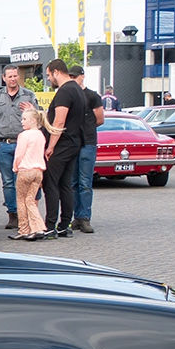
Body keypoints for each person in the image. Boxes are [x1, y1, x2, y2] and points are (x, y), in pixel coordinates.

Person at [0, 65, 39, 230]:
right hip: (3, 145)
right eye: (9, 76)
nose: (13, 79)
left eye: (15, 76)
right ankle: (13, 214)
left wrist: (33, 111)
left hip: (23, 145)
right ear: (3, 78)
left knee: (25, 180)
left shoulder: (29, 96)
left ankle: (27, 212)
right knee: (8, 182)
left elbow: (38, 121)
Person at [41, 59, 85, 237]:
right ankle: (65, 224)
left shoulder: (65, 91)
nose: (49, 79)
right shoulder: (78, 90)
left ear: (56, 72)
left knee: (50, 183)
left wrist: (50, 146)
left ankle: (50, 226)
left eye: (49, 75)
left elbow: (59, 121)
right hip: (74, 142)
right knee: (65, 184)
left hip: (62, 144)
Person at [68, 64, 106, 234]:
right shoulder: (69, 94)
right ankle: (76, 216)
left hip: (87, 142)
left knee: (85, 182)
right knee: (73, 182)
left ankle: (84, 217)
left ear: (82, 77)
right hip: (73, 143)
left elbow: (100, 119)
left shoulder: (92, 96)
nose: (73, 80)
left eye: (75, 77)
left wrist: (87, 128)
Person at [10, 107, 50, 240]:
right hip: (38, 172)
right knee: (30, 200)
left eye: (24, 119)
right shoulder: (40, 135)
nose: (22, 122)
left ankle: (24, 229)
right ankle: (38, 227)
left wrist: (15, 167)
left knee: (21, 200)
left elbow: (19, 154)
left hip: (25, 170)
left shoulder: (24, 135)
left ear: (33, 120)